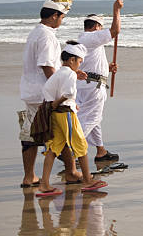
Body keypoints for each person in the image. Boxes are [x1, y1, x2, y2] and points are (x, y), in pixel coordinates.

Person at [18, 0, 81, 187]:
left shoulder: (35, 33)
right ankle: (71, 172)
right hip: (43, 93)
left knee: (30, 134)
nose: (62, 20)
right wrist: (60, 92)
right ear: (54, 16)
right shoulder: (46, 36)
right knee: (60, 133)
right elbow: (47, 67)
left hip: (31, 91)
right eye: (61, 17)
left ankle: (29, 177)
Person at [36, 41, 107, 197]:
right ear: (72, 60)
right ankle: (88, 180)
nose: (79, 65)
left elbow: (50, 91)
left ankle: (44, 184)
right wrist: (59, 103)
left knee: (54, 148)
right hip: (64, 113)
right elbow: (68, 94)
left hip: (56, 114)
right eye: (79, 61)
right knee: (80, 144)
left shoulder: (59, 74)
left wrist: (60, 103)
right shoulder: (68, 74)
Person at [76, 0, 123, 163]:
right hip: (92, 86)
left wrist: (106, 68)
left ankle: (101, 151)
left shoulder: (84, 40)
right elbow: (115, 31)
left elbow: (89, 63)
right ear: (96, 27)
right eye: (100, 27)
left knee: (92, 119)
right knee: (92, 118)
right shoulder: (91, 37)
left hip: (86, 83)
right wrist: (116, 10)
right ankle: (69, 149)